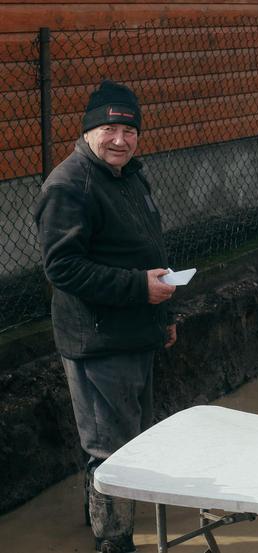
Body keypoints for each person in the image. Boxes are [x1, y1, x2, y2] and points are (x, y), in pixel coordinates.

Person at [35, 80, 177, 553]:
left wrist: (165, 315)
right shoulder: (69, 185)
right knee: (110, 446)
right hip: (98, 340)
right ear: (89, 131)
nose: (120, 139)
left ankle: (98, 516)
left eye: (129, 130)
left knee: (124, 437)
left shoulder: (131, 175)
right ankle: (113, 542)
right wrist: (140, 288)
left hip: (138, 328)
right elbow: (62, 268)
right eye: (109, 128)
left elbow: (151, 249)